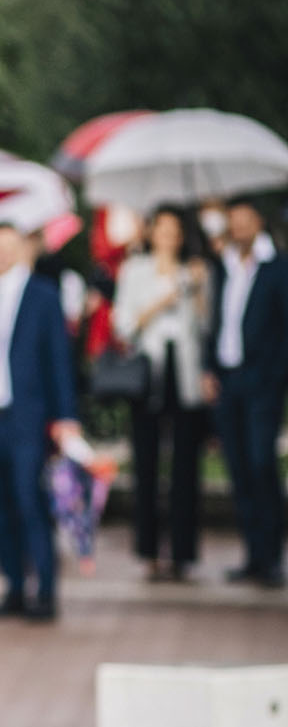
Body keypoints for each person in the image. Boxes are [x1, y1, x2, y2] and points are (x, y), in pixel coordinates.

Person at [0, 223, 81, 622]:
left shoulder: (43, 295)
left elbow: (59, 358)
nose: (1, 254)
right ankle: (14, 586)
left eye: (9, 246)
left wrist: (66, 416)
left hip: (25, 414)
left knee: (29, 500)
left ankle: (45, 590)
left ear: (21, 249)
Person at [111, 207, 211, 581]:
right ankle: (149, 549)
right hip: (148, 376)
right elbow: (123, 325)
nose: (168, 236)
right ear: (152, 232)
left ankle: (183, 552)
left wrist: (197, 291)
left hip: (184, 375)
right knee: (146, 465)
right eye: (162, 228)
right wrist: (160, 302)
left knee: (186, 467)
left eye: (174, 229)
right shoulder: (134, 270)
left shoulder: (195, 271)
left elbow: (207, 327)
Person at [203, 199, 288, 588]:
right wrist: (209, 368)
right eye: (232, 222)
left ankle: (271, 556)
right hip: (228, 381)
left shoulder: (277, 268)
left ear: (258, 223)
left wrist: (274, 377)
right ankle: (253, 554)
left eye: (244, 221)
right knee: (238, 468)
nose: (238, 228)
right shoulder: (223, 267)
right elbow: (215, 322)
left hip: (261, 383)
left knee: (260, 464)